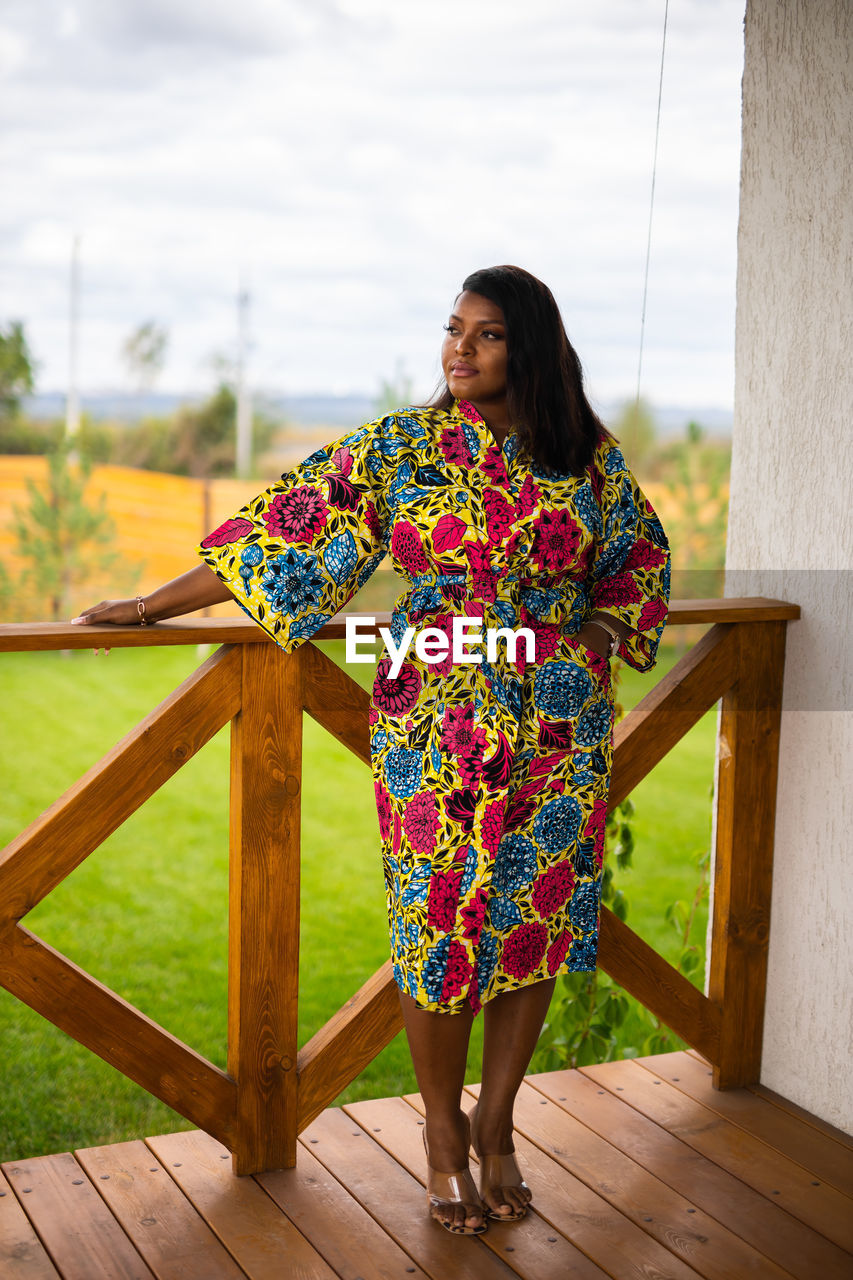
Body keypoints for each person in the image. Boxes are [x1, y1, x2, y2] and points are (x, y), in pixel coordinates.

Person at [73, 265, 670, 1236]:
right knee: (439, 924)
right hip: (437, 720)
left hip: (560, 728)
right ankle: (440, 1133)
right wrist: (149, 603)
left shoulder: (584, 457)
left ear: (531, 345)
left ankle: (499, 1124)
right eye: (452, 329)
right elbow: (286, 529)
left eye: (485, 334)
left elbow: (640, 553)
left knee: (534, 924)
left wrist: (600, 635)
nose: (459, 350)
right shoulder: (405, 446)